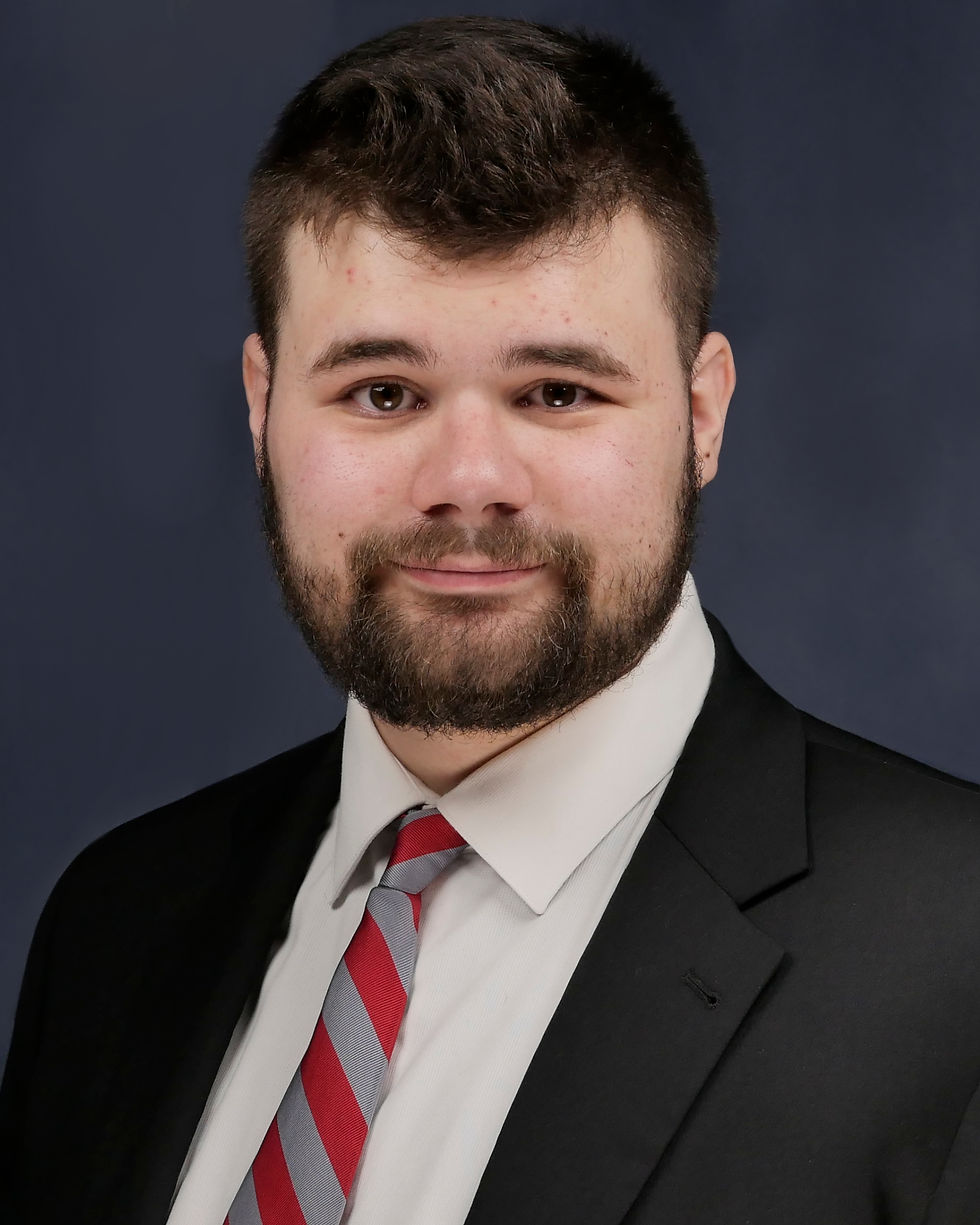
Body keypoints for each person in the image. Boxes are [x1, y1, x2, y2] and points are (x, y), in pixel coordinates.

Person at [2, 14, 980, 1225]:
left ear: (701, 414)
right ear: (261, 413)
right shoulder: (118, 923)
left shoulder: (958, 960)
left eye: (556, 390)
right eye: (382, 391)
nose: (468, 477)